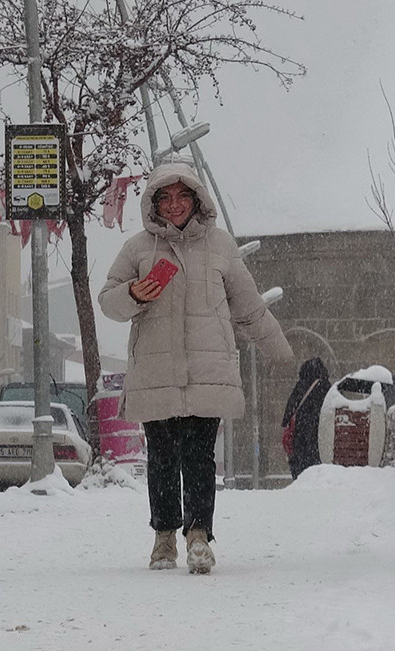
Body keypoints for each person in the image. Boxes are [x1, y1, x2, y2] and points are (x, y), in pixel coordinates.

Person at [98, 161, 293, 574]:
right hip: (156, 371)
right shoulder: (137, 249)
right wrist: (133, 293)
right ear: (153, 203)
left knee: (200, 456)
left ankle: (199, 535)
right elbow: (108, 301)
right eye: (164, 198)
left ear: (196, 199)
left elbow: (248, 306)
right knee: (164, 457)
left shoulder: (220, 246)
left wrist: (281, 351)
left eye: (182, 196)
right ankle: (164, 536)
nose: (173, 205)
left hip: (208, 369)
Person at [282, 357, 332, 479]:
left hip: (300, 439)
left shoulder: (301, 386)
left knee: (301, 473)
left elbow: (287, 415)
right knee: (318, 473)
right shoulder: (326, 387)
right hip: (320, 439)